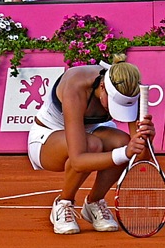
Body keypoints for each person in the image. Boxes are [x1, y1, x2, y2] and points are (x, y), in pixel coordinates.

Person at [27, 55, 156, 235]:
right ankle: (64, 202)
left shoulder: (131, 89)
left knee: (122, 142)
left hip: (93, 132)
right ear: (103, 87)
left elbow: (140, 156)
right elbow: (79, 160)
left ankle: (94, 202)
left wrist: (147, 139)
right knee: (92, 145)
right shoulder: (76, 85)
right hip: (47, 138)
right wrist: (125, 153)